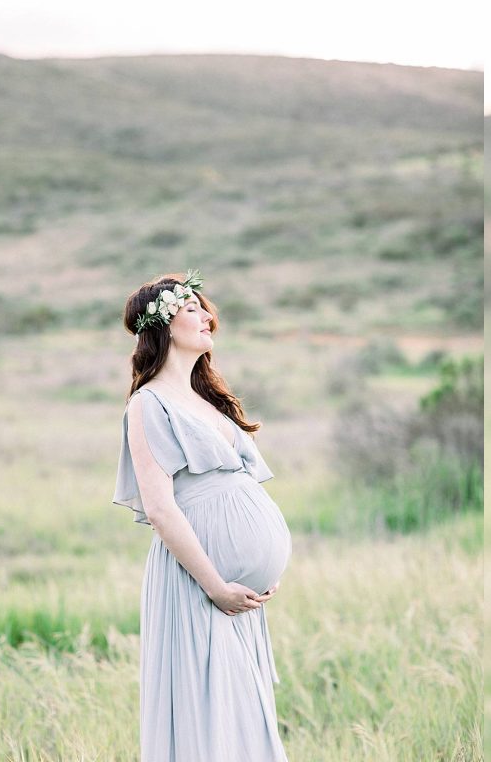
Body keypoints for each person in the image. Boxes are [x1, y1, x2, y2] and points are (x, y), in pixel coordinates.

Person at [113, 270, 292, 762]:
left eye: (204, 307)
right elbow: (160, 507)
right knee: (208, 716)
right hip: (200, 585)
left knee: (240, 716)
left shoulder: (207, 396)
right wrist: (216, 584)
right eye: (192, 308)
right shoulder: (147, 404)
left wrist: (260, 567)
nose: (207, 316)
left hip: (238, 592)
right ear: (164, 325)